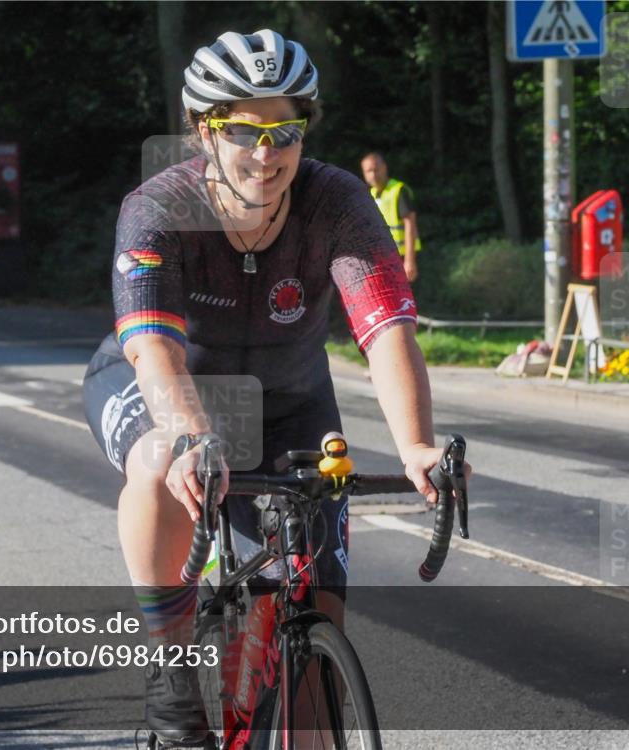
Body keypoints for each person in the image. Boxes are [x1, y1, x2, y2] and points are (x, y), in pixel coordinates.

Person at [83, 29, 461, 747]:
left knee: (309, 663)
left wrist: (415, 445)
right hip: (170, 387)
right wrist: (195, 436)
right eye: (243, 132)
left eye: (284, 131)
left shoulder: (336, 202)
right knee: (163, 459)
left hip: (291, 400)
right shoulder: (158, 207)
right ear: (205, 131)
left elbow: (385, 330)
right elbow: (155, 348)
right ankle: (170, 667)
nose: (266, 152)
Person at [360, 152, 421, 282]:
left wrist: (409, 261)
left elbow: (410, 225)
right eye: (368, 171)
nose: (373, 174)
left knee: (409, 301)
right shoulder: (371, 194)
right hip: (384, 259)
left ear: (384, 167)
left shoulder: (399, 190)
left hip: (404, 258)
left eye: (376, 169)